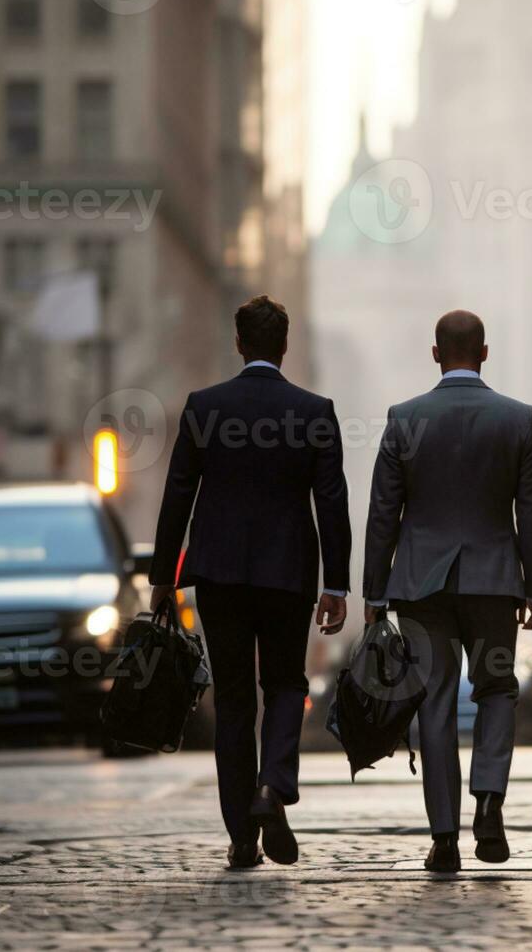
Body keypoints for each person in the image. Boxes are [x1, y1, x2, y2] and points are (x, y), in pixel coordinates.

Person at [149, 295, 351, 869]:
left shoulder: (204, 407)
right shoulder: (315, 411)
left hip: (218, 573)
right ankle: (272, 790)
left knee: (234, 699)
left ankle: (242, 836)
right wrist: (337, 583)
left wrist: (163, 576)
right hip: (288, 574)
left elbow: (178, 496)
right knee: (286, 685)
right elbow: (331, 502)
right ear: (284, 346)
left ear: (239, 343)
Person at [362, 310, 532, 874]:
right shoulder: (518, 420)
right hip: (494, 585)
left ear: (435, 353)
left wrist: (374, 594)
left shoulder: (404, 419)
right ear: (485, 353)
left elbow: (382, 515)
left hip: (422, 588)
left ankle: (444, 838)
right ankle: (488, 801)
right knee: (496, 690)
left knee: (435, 703)